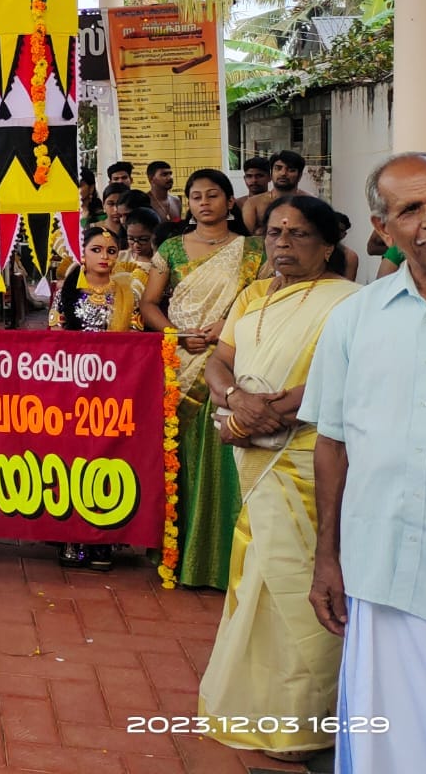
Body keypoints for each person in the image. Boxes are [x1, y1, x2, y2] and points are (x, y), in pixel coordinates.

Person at [195, 196, 356, 758]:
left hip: (307, 459)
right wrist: (236, 398)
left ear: (328, 244)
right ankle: (250, 706)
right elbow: (220, 360)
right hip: (254, 449)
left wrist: (268, 413)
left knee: (299, 579)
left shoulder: (351, 303)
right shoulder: (252, 294)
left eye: (299, 234)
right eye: (275, 233)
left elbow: (346, 380)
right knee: (256, 574)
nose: (284, 243)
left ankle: (306, 722)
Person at [299, 153, 426, 772]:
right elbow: (332, 442)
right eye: (411, 209)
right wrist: (327, 556)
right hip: (379, 570)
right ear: (382, 229)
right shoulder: (354, 319)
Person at [140, 168, 266, 590]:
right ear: (188, 204)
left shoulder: (253, 251)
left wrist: (226, 326)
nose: (204, 203)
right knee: (181, 455)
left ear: (230, 202)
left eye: (213, 195)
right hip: (180, 362)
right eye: (195, 197)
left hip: (232, 361)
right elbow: (149, 304)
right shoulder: (172, 249)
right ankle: (179, 553)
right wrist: (176, 335)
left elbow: (264, 302)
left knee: (225, 460)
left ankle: (223, 559)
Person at [50, 223, 144, 570]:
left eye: (111, 251)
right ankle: (71, 536)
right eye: (96, 250)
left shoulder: (126, 293)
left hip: (113, 390)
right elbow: (55, 335)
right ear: (82, 254)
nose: (104, 257)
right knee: (73, 459)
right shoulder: (68, 291)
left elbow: (134, 338)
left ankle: (103, 540)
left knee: (109, 458)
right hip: (73, 390)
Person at [242, 149, 306, 234]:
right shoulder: (253, 203)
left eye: (291, 169)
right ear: (271, 173)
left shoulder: (310, 202)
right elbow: (247, 240)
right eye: (278, 168)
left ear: (300, 175)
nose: (283, 173)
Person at [118, 205, 161, 277]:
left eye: (143, 240)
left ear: (155, 236)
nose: (136, 245)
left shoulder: (161, 264)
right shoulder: (120, 257)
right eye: (131, 239)